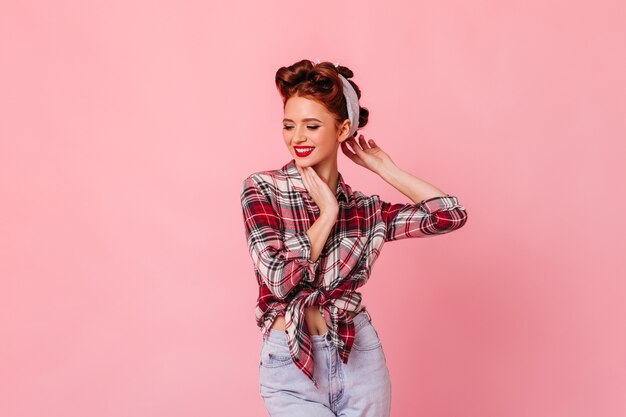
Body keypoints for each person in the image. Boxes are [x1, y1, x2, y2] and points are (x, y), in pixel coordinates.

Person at [240, 58, 469, 417]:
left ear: (343, 128)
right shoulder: (262, 189)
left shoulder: (365, 210)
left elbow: (448, 215)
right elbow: (279, 279)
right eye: (288, 125)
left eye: (312, 126)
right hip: (289, 358)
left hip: (357, 351)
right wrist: (327, 213)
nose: (297, 138)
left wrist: (385, 169)